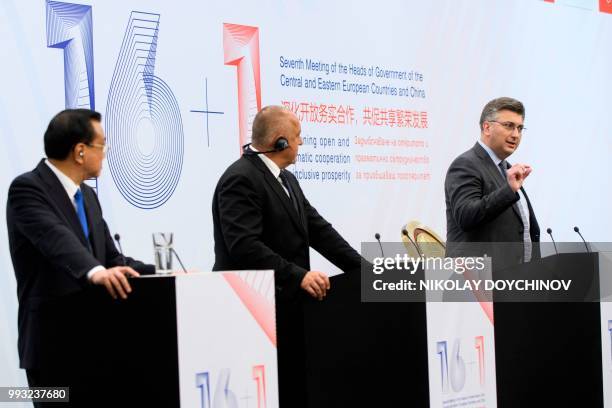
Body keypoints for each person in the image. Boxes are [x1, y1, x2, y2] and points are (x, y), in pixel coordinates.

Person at [212, 105, 361, 406]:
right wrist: (299, 276)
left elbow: (319, 230)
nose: (301, 143)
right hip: (255, 310)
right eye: (298, 136)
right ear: (280, 142)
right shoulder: (240, 179)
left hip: (290, 311)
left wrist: (366, 270)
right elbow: (244, 246)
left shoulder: (287, 179)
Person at [6, 109, 154, 394]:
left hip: (94, 347)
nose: (106, 154)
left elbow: (112, 260)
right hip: (50, 350)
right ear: (80, 151)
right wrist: (95, 272)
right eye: (103, 146)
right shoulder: (27, 189)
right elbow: (57, 240)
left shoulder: (87, 196)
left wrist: (166, 273)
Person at [445, 97, 540, 263]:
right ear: (487, 127)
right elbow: (466, 216)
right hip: (477, 281)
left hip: (515, 278)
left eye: (519, 128)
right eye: (509, 126)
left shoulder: (506, 169)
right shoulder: (466, 164)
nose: (516, 134)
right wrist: (508, 190)